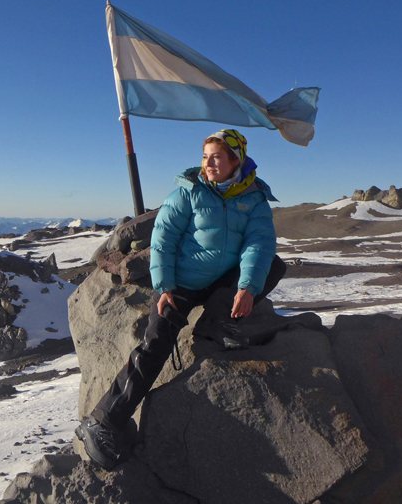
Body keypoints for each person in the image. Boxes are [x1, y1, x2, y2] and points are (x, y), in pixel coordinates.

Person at [75, 128, 286, 470]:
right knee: (156, 342)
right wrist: (164, 285)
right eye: (205, 157)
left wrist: (247, 287)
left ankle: (217, 324)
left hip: (221, 280)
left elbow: (259, 244)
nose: (208, 164)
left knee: (272, 266)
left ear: (236, 160)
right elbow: (163, 240)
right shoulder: (189, 191)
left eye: (216, 157)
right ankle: (102, 420)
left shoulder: (254, 198)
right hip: (182, 282)